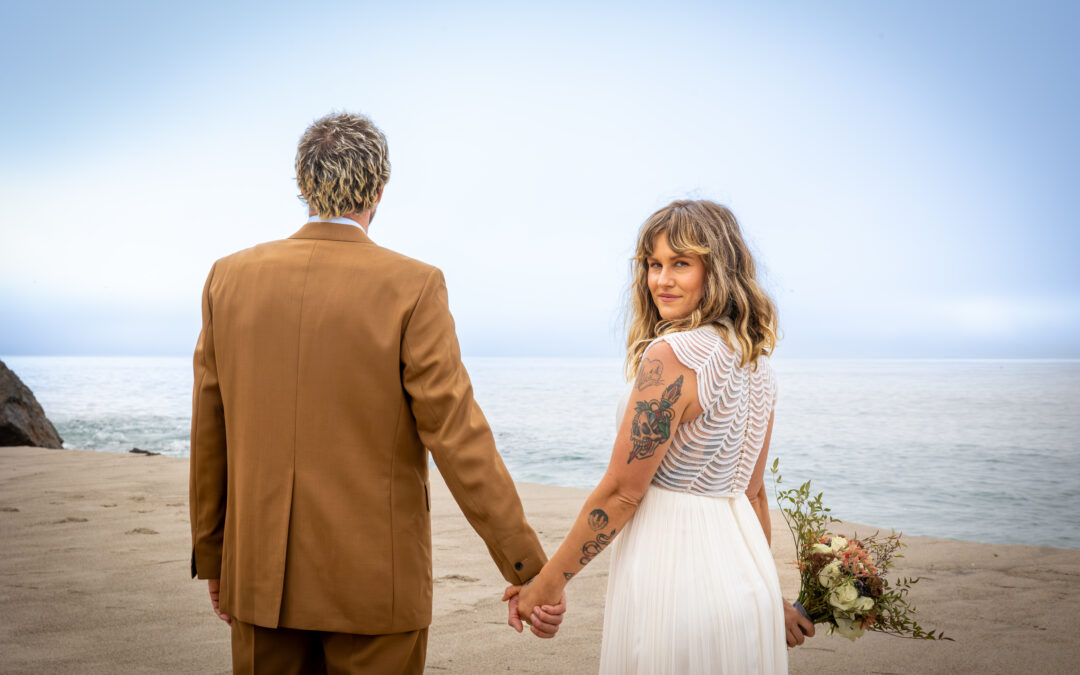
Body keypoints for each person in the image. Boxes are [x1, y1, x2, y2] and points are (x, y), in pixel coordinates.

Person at [189, 111, 565, 674]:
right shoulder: (413, 286)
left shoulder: (229, 277)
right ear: (380, 189)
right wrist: (528, 567)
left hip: (258, 580)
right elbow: (457, 434)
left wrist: (215, 556)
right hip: (374, 588)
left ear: (302, 183)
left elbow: (209, 432)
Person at [504, 199, 814, 672]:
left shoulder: (672, 355)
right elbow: (752, 495)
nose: (662, 280)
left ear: (718, 270)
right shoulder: (758, 363)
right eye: (654, 264)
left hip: (676, 582)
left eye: (681, 264)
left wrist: (545, 585)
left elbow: (622, 492)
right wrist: (772, 597)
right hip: (745, 582)